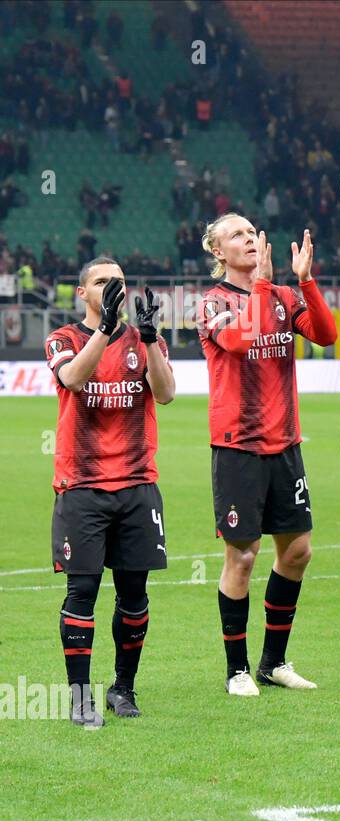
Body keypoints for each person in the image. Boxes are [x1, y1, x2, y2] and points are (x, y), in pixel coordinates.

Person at [198, 216, 338, 696]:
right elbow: (240, 341)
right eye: (236, 235)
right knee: (243, 556)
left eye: (252, 231)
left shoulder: (283, 296)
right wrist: (261, 287)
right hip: (239, 446)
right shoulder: (213, 302)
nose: (250, 239)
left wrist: (305, 281)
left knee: (297, 552)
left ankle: (273, 662)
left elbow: (325, 334)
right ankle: (236, 669)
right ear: (218, 253)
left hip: (286, 444)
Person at [46, 259, 175, 724]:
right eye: (101, 281)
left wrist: (149, 338)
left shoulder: (144, 339)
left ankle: (123, 688)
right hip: (81, 486)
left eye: (117, 280)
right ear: (83, 292)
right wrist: (104, 331)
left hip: (137, 485)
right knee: (82, 590)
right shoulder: (64, 338)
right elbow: (72, 379)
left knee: (134, 595)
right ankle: (80, 696)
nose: (111, 287)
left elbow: (165, 393)